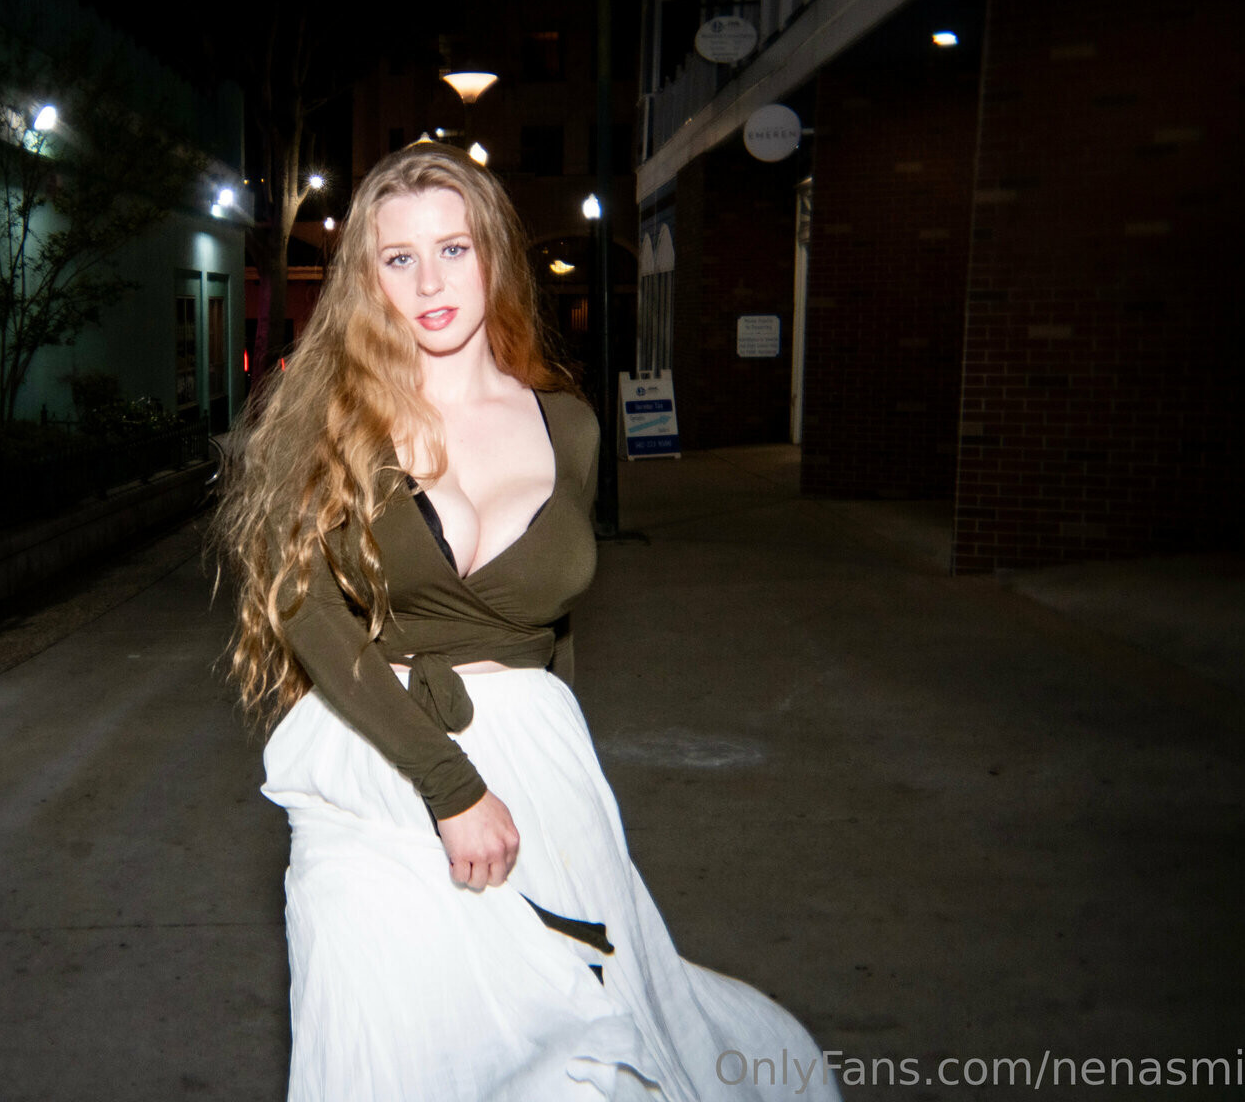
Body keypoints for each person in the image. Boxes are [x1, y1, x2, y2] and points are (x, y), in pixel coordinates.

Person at [215, 143, 838, 1102]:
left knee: (581, 1029)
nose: (430, 282)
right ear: (367, 280)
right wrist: (450, 784)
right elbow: (306, 609)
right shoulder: (333, 419)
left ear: (494, 255)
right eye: (399, 258)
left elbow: (556, 635)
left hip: (535, 761)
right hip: (375, 758)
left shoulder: (569, 427)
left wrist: (564, 781)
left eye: (453, 249)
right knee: (388, 1052)